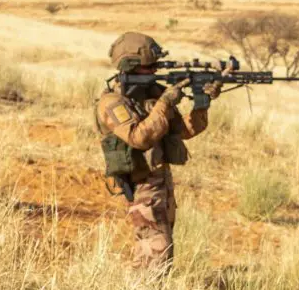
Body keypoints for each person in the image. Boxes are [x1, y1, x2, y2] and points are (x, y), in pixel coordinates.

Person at [94, 32, 225, 268]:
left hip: (160, 183)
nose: (155, 71)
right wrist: (165, 102)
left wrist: (202, 103)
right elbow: (139, 137)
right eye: (149, 67)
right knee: (155, 250)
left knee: (161, 250)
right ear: (130, 65)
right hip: (141, 183)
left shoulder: (151, 95)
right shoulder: (112, 102)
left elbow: (183, 131)